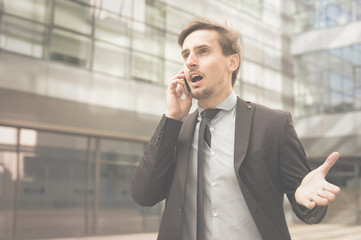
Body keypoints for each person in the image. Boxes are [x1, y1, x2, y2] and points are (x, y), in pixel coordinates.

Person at [130, 18, 340, 240]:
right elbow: (143, 195)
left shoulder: (273, 124)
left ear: (232, 62)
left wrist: (304, 196)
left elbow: (308, 208)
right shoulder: (176, 130)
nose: (190, 61)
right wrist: (172, 118)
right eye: (185, 55)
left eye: (202, 51)